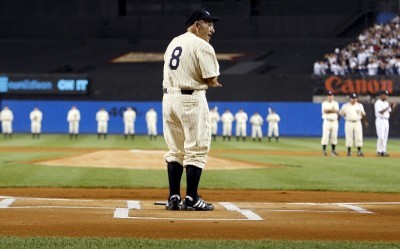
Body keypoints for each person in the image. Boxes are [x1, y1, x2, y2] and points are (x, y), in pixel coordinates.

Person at [162, 8, 221, 211]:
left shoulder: (174, 42)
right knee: (196, 149)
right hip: (191, 100)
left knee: (175, 150)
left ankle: (174, 197)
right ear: (197, 24)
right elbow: (210, 78)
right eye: (209, 23)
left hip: (169, 99)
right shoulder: (201, 45)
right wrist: (214, 82)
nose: (212, 28)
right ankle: (192, 198)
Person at [374, 90, 395, 157]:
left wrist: (392, 106)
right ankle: (379, 151)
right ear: (381, 95)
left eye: (386, 95)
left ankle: (383, 151)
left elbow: (389, 112)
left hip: (386, 120)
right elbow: (381, 112)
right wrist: (388, 107)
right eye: (385, 95)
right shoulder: (378, 103)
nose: (386, 96)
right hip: (380, 120)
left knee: (385, 137)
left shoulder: (386, 103)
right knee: (381, 136)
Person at [321, 91, 339, 156]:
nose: (330, 97)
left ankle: (333, 151)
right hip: (327, 121)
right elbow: (325, 111)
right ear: (327, 96)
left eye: (331, 95)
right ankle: (324, 151)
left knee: (334, 136)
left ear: (333, 96)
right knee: (325, 136)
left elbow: (336, 111)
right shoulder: (324, 103)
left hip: (334, 121)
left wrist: (329, 110)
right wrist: (332, 110)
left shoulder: (336, 103)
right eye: (329, 95)